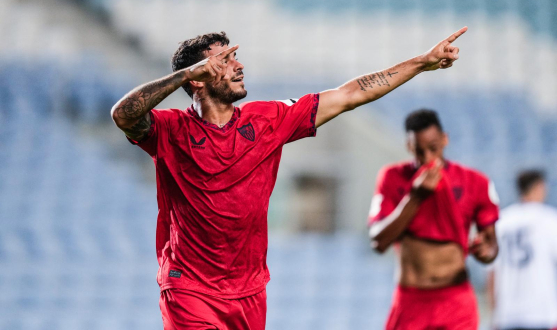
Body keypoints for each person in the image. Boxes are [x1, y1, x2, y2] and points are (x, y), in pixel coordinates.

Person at [111, 27, 467, 329]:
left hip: (249, 292)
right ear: (200, 77)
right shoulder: (171, 130)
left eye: (236, 57)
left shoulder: (267, 120)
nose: (239, 65)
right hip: (189, 287)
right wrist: (184, 75)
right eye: (226, 60)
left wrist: (422, 62)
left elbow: (349, 94)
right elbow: (124, 115)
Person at [368, 109, 499, 330]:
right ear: (409, 146)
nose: (428, 158)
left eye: (434, 148)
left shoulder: (475, 182)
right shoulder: (392, 177)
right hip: (411, 301)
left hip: (456, 301)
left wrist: (486, 252)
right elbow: (378, 241)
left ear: (445, 140)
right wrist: (415, 197)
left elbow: (492, 245)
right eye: (420, 151)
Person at [487, 170, 557, 330]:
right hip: (542, 313)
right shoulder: (550, 220)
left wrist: (494, 314)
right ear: (540, 188)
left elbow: (492, 274)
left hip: (507, 314)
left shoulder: (501, 221)